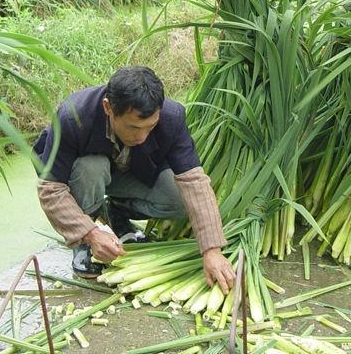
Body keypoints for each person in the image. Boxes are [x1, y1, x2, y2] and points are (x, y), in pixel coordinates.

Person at [34, 66, 235, 294]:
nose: (141, 137)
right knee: (91, 168)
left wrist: (212, 250)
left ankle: (116, 211)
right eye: (133, 127)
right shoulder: (73, 117)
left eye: (150, 127)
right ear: (108, 108)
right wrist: (89, 233)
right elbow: (51, 190)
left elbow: (194, 180)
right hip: (84, 177)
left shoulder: (172, 117)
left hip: (131, 171)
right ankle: (84, 243)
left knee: (179, 198)